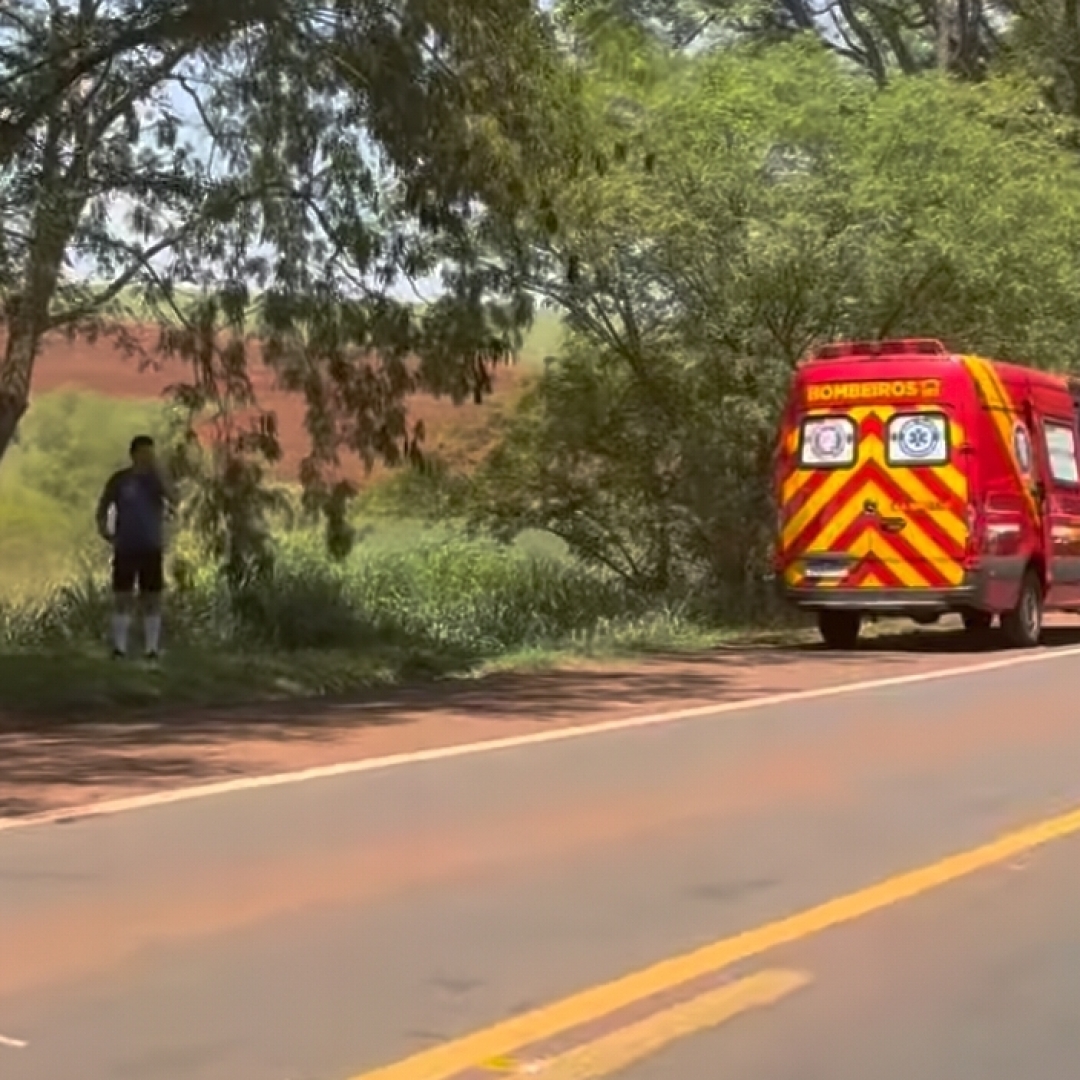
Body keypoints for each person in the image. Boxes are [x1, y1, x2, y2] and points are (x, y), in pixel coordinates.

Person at [95, 435, 176, 659]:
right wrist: (103, 528)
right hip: (126, 546)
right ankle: (119, 648)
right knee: (122, 596)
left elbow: (174, 498)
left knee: (152, 597)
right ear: (133, 454)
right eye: (144, 452)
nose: (148, 457)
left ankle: (152, 649)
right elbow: (104, 504)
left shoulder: (156, 481)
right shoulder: (120, 480)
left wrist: (160, 472)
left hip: (151, 546)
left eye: (151, 453)